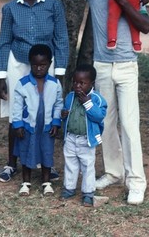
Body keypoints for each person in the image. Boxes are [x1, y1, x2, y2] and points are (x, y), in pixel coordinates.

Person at [41, 0, 149, 205]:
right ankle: (113, 172)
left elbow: (145, 26)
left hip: (127, 66)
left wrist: (121, 0)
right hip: (102, 66)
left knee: (129, 124)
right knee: (107, 122)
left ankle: (136, 181)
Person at [0, 0, 69, 183]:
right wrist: (1, 76)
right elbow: (3, 41)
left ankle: (47, 164)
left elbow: (62, 40)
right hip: (17, 64)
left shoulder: (53, 5)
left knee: (46, 114)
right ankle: (11, 164)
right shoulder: (10, 9)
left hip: (46, 66)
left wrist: (59, 75)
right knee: (15, 115)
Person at [12, 44, 63, 196]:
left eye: (43, 65)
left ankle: (46, 182)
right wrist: (18, 124)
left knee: (46, 152)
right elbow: (16, 106)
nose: (39, 68)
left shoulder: (55, 84)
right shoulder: (23, 84)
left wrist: (56, 121)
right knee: (27, 151)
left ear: (50, 64)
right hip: (29, 127)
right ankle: (25, 182)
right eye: (35, 65)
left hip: (47, 127)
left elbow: (59, 103)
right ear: (30, 63)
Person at [61, 63, 107, 207]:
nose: (78, 86)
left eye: (82, 83)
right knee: (70, 164)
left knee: (87, 166)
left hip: (86, 140)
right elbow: (66, 112)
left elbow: (99, 117)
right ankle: (69, 188)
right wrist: (63, 115)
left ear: (91, 83)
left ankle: (88, 193)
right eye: (75, 82)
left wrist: (88, 103)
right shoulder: (70, 97)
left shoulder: (97, 99)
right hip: (70, 137)